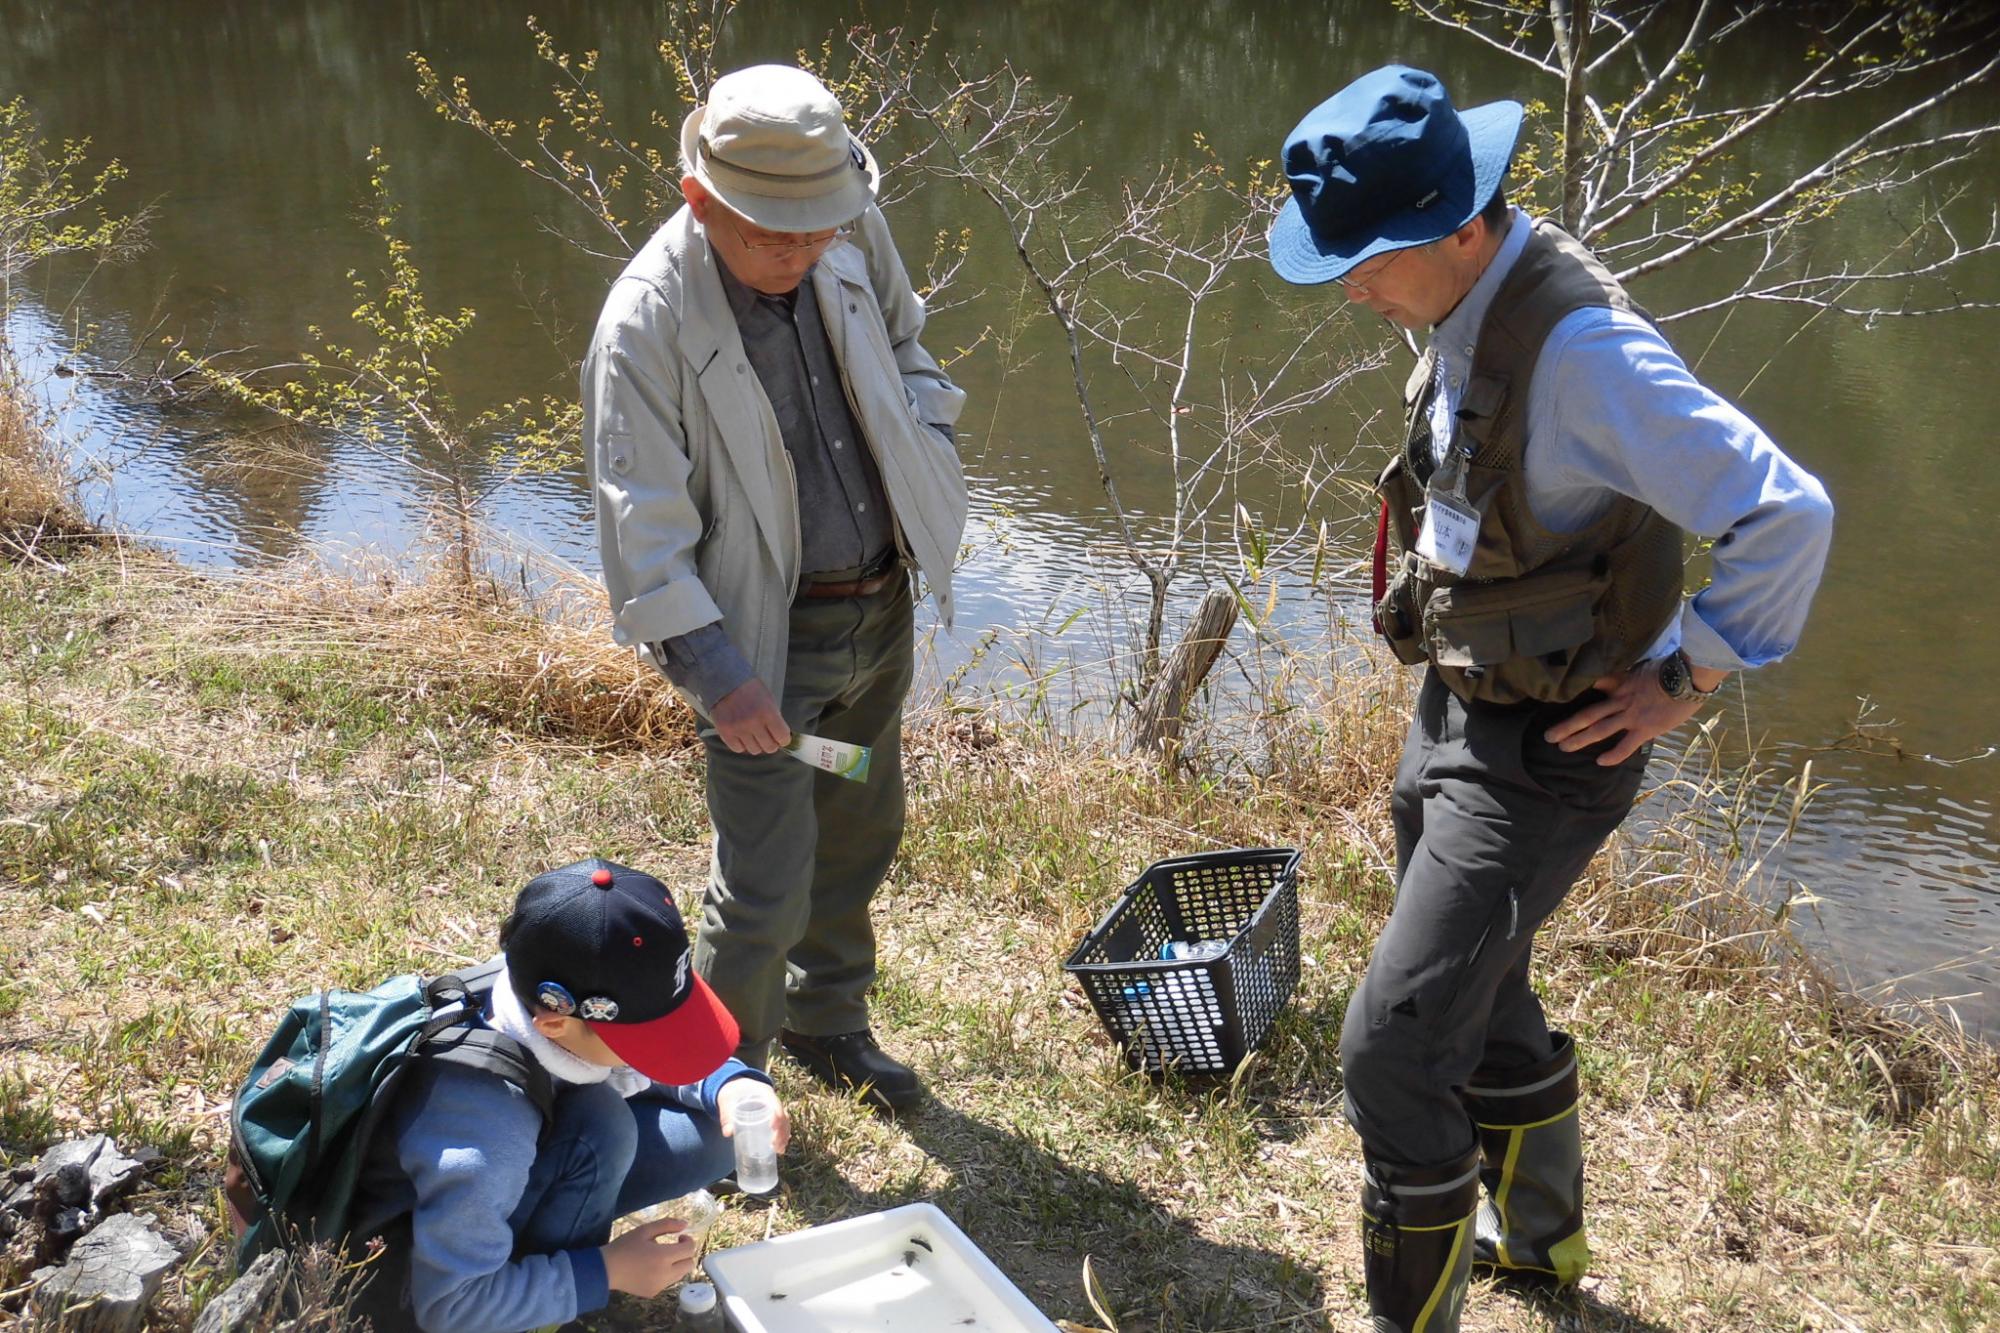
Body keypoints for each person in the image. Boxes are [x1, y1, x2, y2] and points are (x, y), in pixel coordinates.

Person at [1267, 66, 1833, 1332]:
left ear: (1456, 223)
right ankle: (1544, 1245)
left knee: (1393, 1043)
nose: (1348, 285)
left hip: (1548, 746)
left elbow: (1786, 512)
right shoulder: (1465, 299)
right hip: (1465, 710)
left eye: (1364, 258)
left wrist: (1683, 676)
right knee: (1485, 982)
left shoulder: (1583, 356)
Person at [582, 64, 968, 1111]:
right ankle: (720, 1078)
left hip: (874, 616)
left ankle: (829, 1021)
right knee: (763, 880)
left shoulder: (848, 226)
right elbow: (642, 526)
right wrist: (722, 679)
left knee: (857, 821)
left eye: (816, 231)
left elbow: (907, 345)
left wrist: (929, 444)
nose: (801, 254)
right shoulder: (645, 324)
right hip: (761, 646)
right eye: (772, 236)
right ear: (700, 199)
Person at [347, 858, 791, 1333]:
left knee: (716, 1133)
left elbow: (654, 1060)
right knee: (603, 1122)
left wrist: (731, 1083)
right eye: (642, 1041)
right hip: (448, 1276)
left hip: (526, 1162)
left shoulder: (541, 989)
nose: (653, 1056)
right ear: (555, 1024)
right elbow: (448, 1308)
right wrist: (604, 1272)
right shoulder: (483, 1139)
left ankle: (561, 1250)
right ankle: (545, 1316)